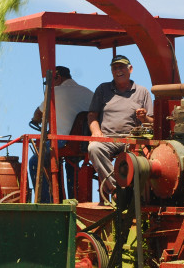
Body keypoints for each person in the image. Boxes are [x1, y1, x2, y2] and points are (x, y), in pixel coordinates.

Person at [87, 55, 153, 201]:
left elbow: (152, 122)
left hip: (132, 140)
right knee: (94, 148)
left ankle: (140, 194)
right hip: (107, 139)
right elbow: (92, 115)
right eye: (115, 68)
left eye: (122, 67)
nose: (118, 71)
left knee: (148, 155)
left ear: (130, 69)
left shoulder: (142, 91)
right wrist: (96, 132)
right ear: (111, 71)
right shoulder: (103, 89)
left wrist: (144, 118)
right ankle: (118, 189)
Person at [29, 65, 93, 203]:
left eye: (49, 82)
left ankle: (47, 202)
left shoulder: (55, 92)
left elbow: (38, 114)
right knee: (72, 162)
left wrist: (35, 120)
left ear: (57, 77)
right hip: (86, 144)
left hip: (64, 142)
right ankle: (75, 198)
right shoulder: (88, 92)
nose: (49, 85)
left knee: (35, 161)